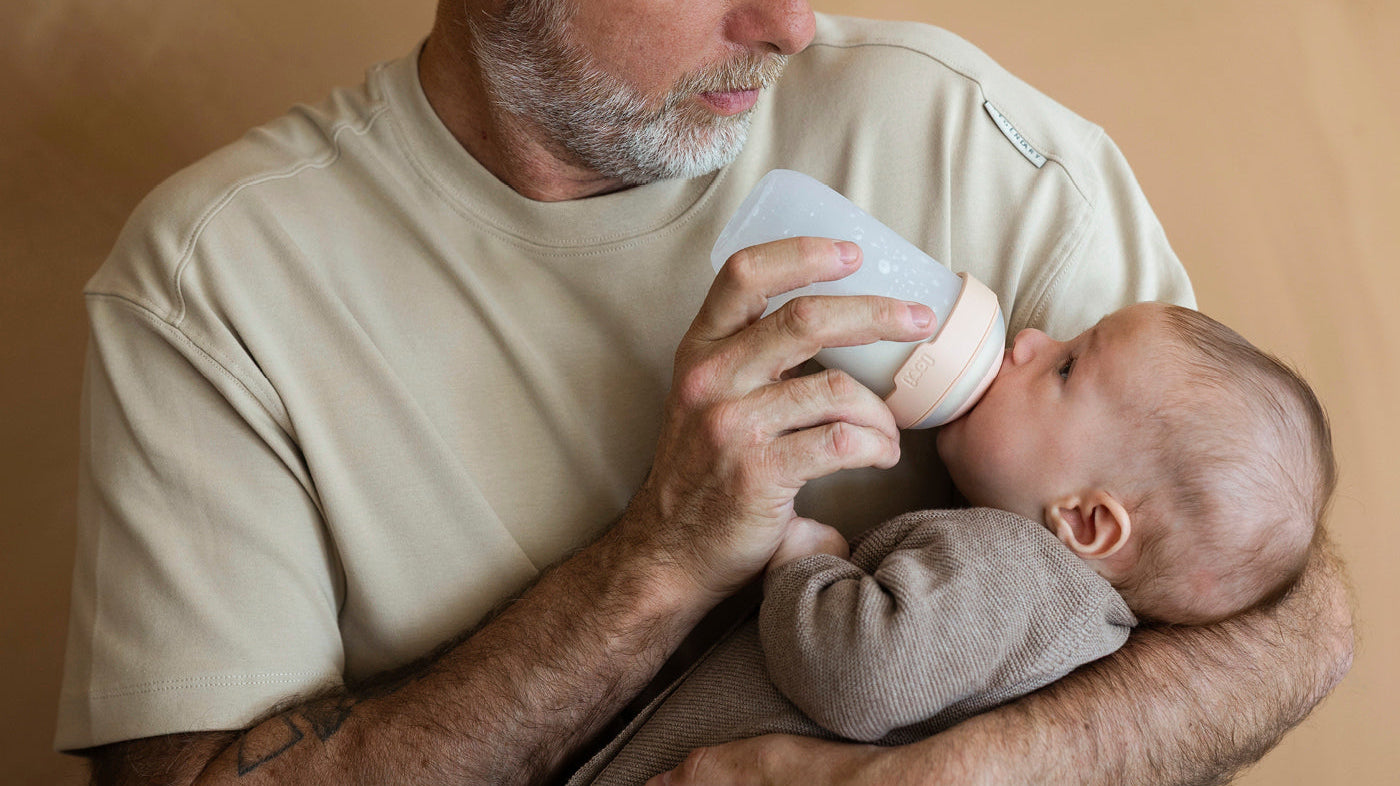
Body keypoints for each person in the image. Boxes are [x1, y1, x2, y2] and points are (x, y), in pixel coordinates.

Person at [58, 1, 1352, 784]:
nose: (790, 24)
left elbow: (1285, 611)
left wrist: (962, 770)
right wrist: (656, 564)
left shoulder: (964, 136)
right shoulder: (218, 282)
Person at [567, 301, 1336, 785]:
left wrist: (808, 561)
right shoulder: (1048, 603)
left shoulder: (1017, 573)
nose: (1031, 338)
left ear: (1087, 523)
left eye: (1066, 367)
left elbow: (860, 674)